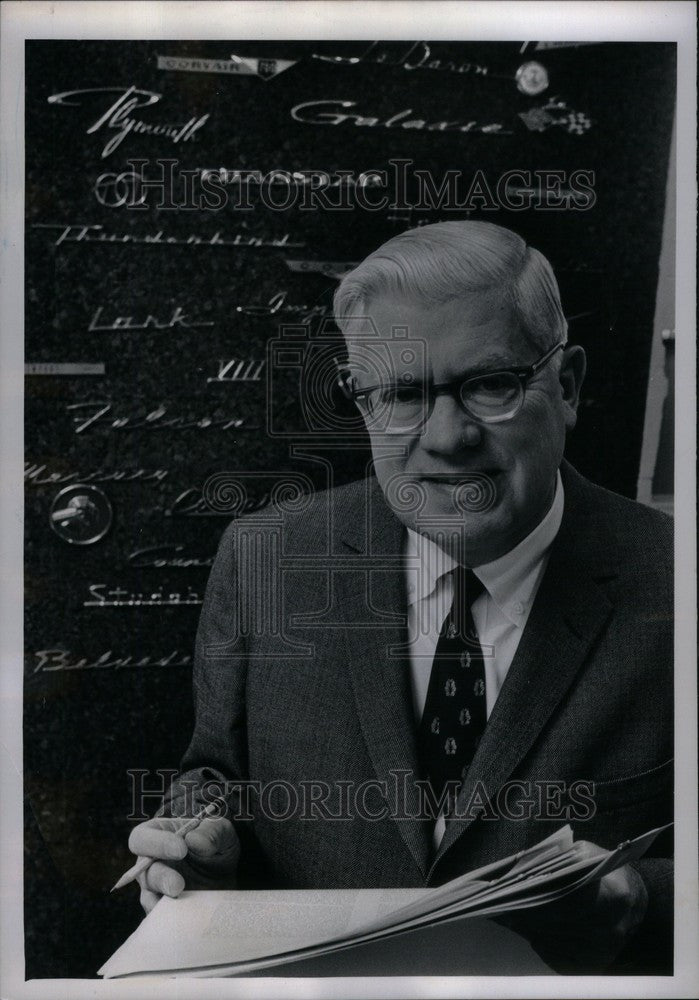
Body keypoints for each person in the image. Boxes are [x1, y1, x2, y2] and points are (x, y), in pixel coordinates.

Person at [126, 222, 673, 973]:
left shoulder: (678, 585)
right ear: (360, 401)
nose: (447, 437)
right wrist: (203, 841)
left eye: (490, 384)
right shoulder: (267, 560)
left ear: (567, 385)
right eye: (403, 394)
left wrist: (642, 899)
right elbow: (214, 773)